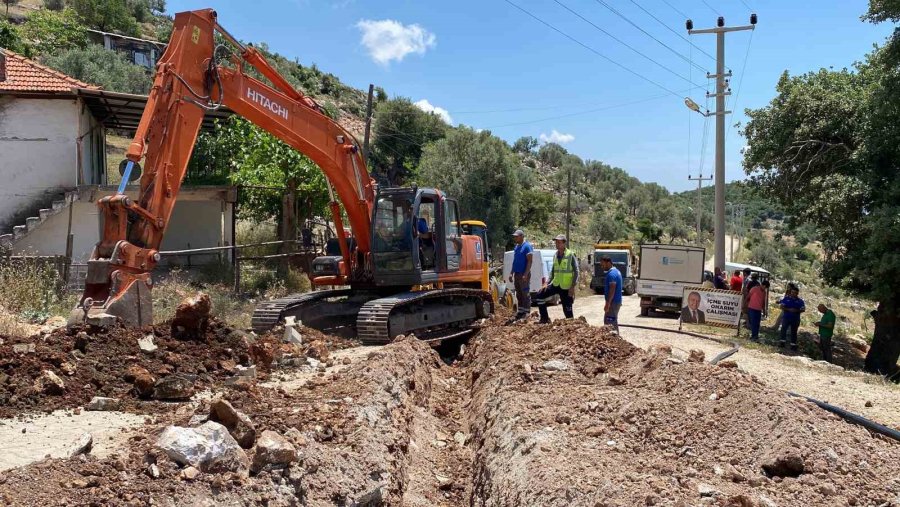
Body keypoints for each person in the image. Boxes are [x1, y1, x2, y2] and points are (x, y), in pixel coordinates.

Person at [535, 235, 578, 323]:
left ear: (564, 243)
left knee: (567, 311)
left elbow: (576, 272)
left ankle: (571, 327)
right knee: (540, 295)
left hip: (566, 287)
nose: (557, 244)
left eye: (559, 242)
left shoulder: (570, 255)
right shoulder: (555, 255)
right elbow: (553, 272)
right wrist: (546, 283)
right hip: (556, 284)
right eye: (556, 242)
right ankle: (544, 319)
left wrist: (572, 287)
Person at [508, 229, 533, 320]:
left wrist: (526, 274)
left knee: (525, 293)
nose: (515, 238)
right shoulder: (516, 247)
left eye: (517, 236)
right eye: (514, 236)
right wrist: (511, 273)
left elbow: (530, 261)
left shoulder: (527, 246)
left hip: (524, 274)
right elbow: (515, 261)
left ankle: (526, 312)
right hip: (517, 274)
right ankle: (521, 311)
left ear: (522, 236)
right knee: (519, 293)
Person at [779, 285, 806, 350]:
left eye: (795, 293)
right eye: (792, 292)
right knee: (783, 329)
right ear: (790, 292)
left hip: (795, 318)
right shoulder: (786, 298)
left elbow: (803, 309)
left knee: (794, 331)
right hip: (786, 317)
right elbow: (781, 306)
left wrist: (796, 310)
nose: (793, 294)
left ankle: (793, 345)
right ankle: (782, 342)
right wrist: (789, 309)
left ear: (797, 293)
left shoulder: (800, 301)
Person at [600, 255, 623, 332]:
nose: (601, 266)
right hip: (616, 302)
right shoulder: (616, 272)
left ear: (608, 263)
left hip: (613, 303)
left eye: (603, 264)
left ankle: (615, 341)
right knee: (612, 322)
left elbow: (612, 289)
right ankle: (617, 341)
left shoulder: (611, 274)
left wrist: (608, 303)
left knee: (609, 323)